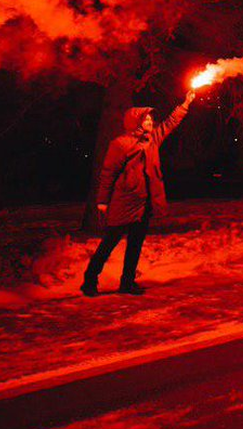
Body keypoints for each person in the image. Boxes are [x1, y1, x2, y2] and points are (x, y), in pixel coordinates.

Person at [81, 90, 195, 297]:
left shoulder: (152, 140)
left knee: (135, 246)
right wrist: (102, 201)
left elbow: (169, 124)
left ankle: (127, 283)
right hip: (124, 203)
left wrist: (185, 104)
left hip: (144, 204)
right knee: (108, 244)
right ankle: (89, 281)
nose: (151, 122)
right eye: (146, 119)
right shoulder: (120, 144)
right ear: (135, 122)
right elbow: (108, 174)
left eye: (151, 119)